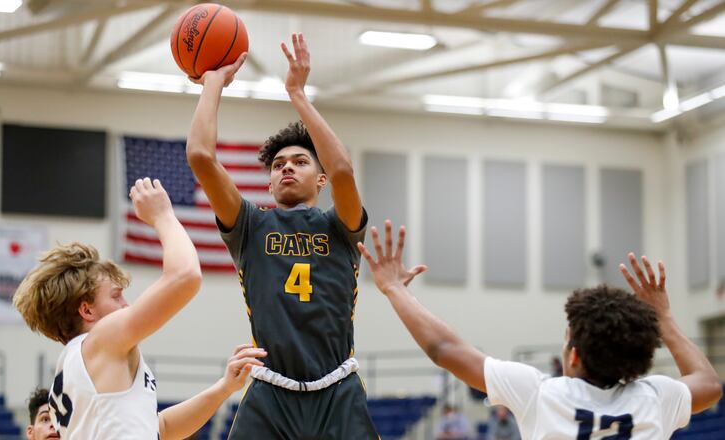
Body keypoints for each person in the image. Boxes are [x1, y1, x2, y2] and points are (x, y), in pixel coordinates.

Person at [358, 220, 722, 439]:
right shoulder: (656, 398)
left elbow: (444, 350)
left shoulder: (542, 394)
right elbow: (709, 384)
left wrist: (394, 289)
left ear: (574, 354)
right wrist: (664, 319)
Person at [185, 33, 377, 439]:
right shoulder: (251, 227)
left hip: (337, 391)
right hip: (272, 393)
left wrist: (297, 93)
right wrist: (213, 83)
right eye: (277, 165)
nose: (286, 168)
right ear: (270, 184)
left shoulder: (339, 226)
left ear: (320, 179)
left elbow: (344, 171)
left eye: (300, 161)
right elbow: (202, 158)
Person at [13, 178, 266, 439]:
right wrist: (163, 216)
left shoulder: (77, 365)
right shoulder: (102, 338)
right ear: (87, 311)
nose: (127, 305)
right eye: (117, 296)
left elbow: (161, 429)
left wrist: (224, 388)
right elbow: (185, 276)